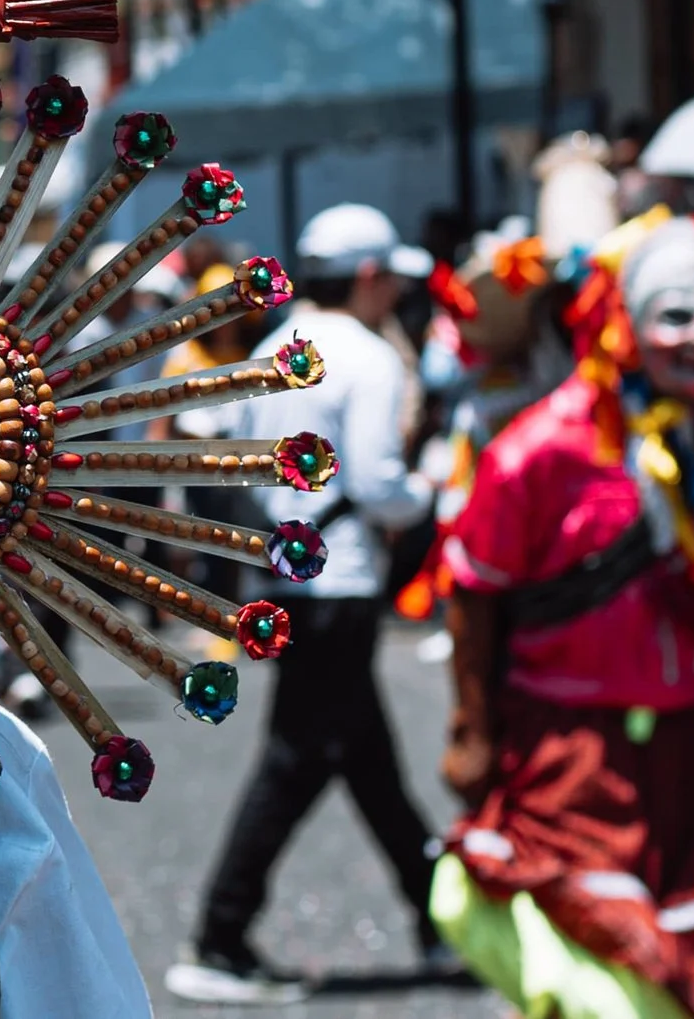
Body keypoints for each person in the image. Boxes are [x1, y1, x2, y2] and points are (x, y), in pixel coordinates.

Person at [432, 214, 694, 1018]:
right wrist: (473, 724)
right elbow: (473, 587)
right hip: (584, 751)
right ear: (625, 324)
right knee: (606, 971)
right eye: (676, 315)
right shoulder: (540, 449)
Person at [167, 204, 446, 1004]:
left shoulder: (277, 347)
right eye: (390, 273)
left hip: (286, 576)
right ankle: (220, 935)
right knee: (297, 762)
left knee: (366, 762)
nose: (393, 287)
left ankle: (441, 922)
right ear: (367, 276)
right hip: (343, 582)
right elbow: (378, 482)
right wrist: (429, 493)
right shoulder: (369, 357)